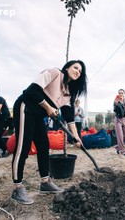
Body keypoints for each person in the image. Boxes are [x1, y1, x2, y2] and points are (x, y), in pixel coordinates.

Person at [11, 60, 87, 205]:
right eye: (75, 67)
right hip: (25, 107)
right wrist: (48, 107)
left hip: (38, 115)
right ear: (67, 68)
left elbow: (69, 118)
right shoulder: (54, 73)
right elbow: (31, 91)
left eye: (80, 71)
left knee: (44, 146)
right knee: (23, 147)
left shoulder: (67, 93)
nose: (78, 71)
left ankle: (45, 182)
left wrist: (77, 138)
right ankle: (18, 188)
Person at [113, 89, 125, 156]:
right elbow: (115, 110)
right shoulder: (116, 101)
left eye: (122, 93)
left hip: (124, 119)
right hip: (118, 119)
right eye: (119, 93)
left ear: (124, 94)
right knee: (120, 136)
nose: (120, 94)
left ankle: (117, 147)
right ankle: (122, 151)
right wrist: (117, 103)